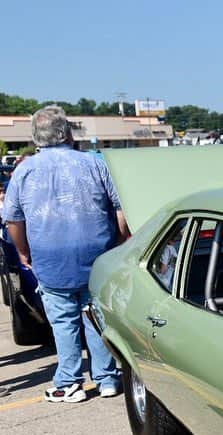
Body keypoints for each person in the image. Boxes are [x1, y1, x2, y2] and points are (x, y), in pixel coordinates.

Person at [3, 105, 129, 402]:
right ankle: (107, 378)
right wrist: (121, 240)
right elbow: (119, 209)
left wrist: (23, 252)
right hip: (97, 254)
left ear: (36, 137)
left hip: (50, 257)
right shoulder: (94, 164)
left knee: (63, 321)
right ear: (68, 132)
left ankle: (69, 380)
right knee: (96, 316)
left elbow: (13, 219)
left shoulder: (25, 171)